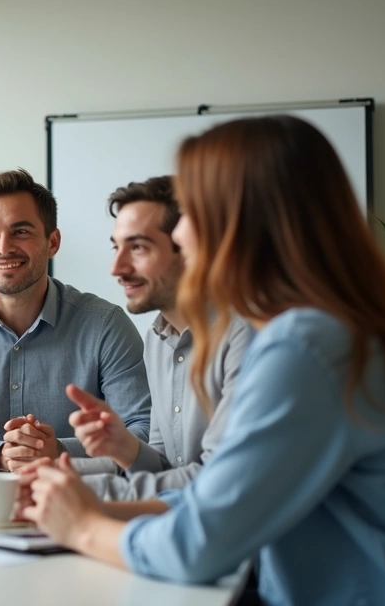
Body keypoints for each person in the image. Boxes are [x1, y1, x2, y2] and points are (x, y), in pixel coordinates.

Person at [21, 115, 385, 604]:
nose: (181, 234)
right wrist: (89, 506)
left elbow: (198, 545)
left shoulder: (307, 346)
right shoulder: (335, 329)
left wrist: (83, 526)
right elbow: (215, 501)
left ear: (241, 221)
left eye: (191, 212)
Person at [0, 169, 151, 472]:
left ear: (52, 242)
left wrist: (60, 451)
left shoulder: (106, 326)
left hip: (80, 491)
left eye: (20, 232)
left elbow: (143, 430)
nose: (3, 248)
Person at [69, 176, 252, 500]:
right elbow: (167, 467)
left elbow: (218, 481)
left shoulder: (244, 335)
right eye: (116, 247)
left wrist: (87, 490)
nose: (117, 268)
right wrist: (125, 448)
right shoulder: (157, 339)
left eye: (138, 247)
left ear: (189, 249)